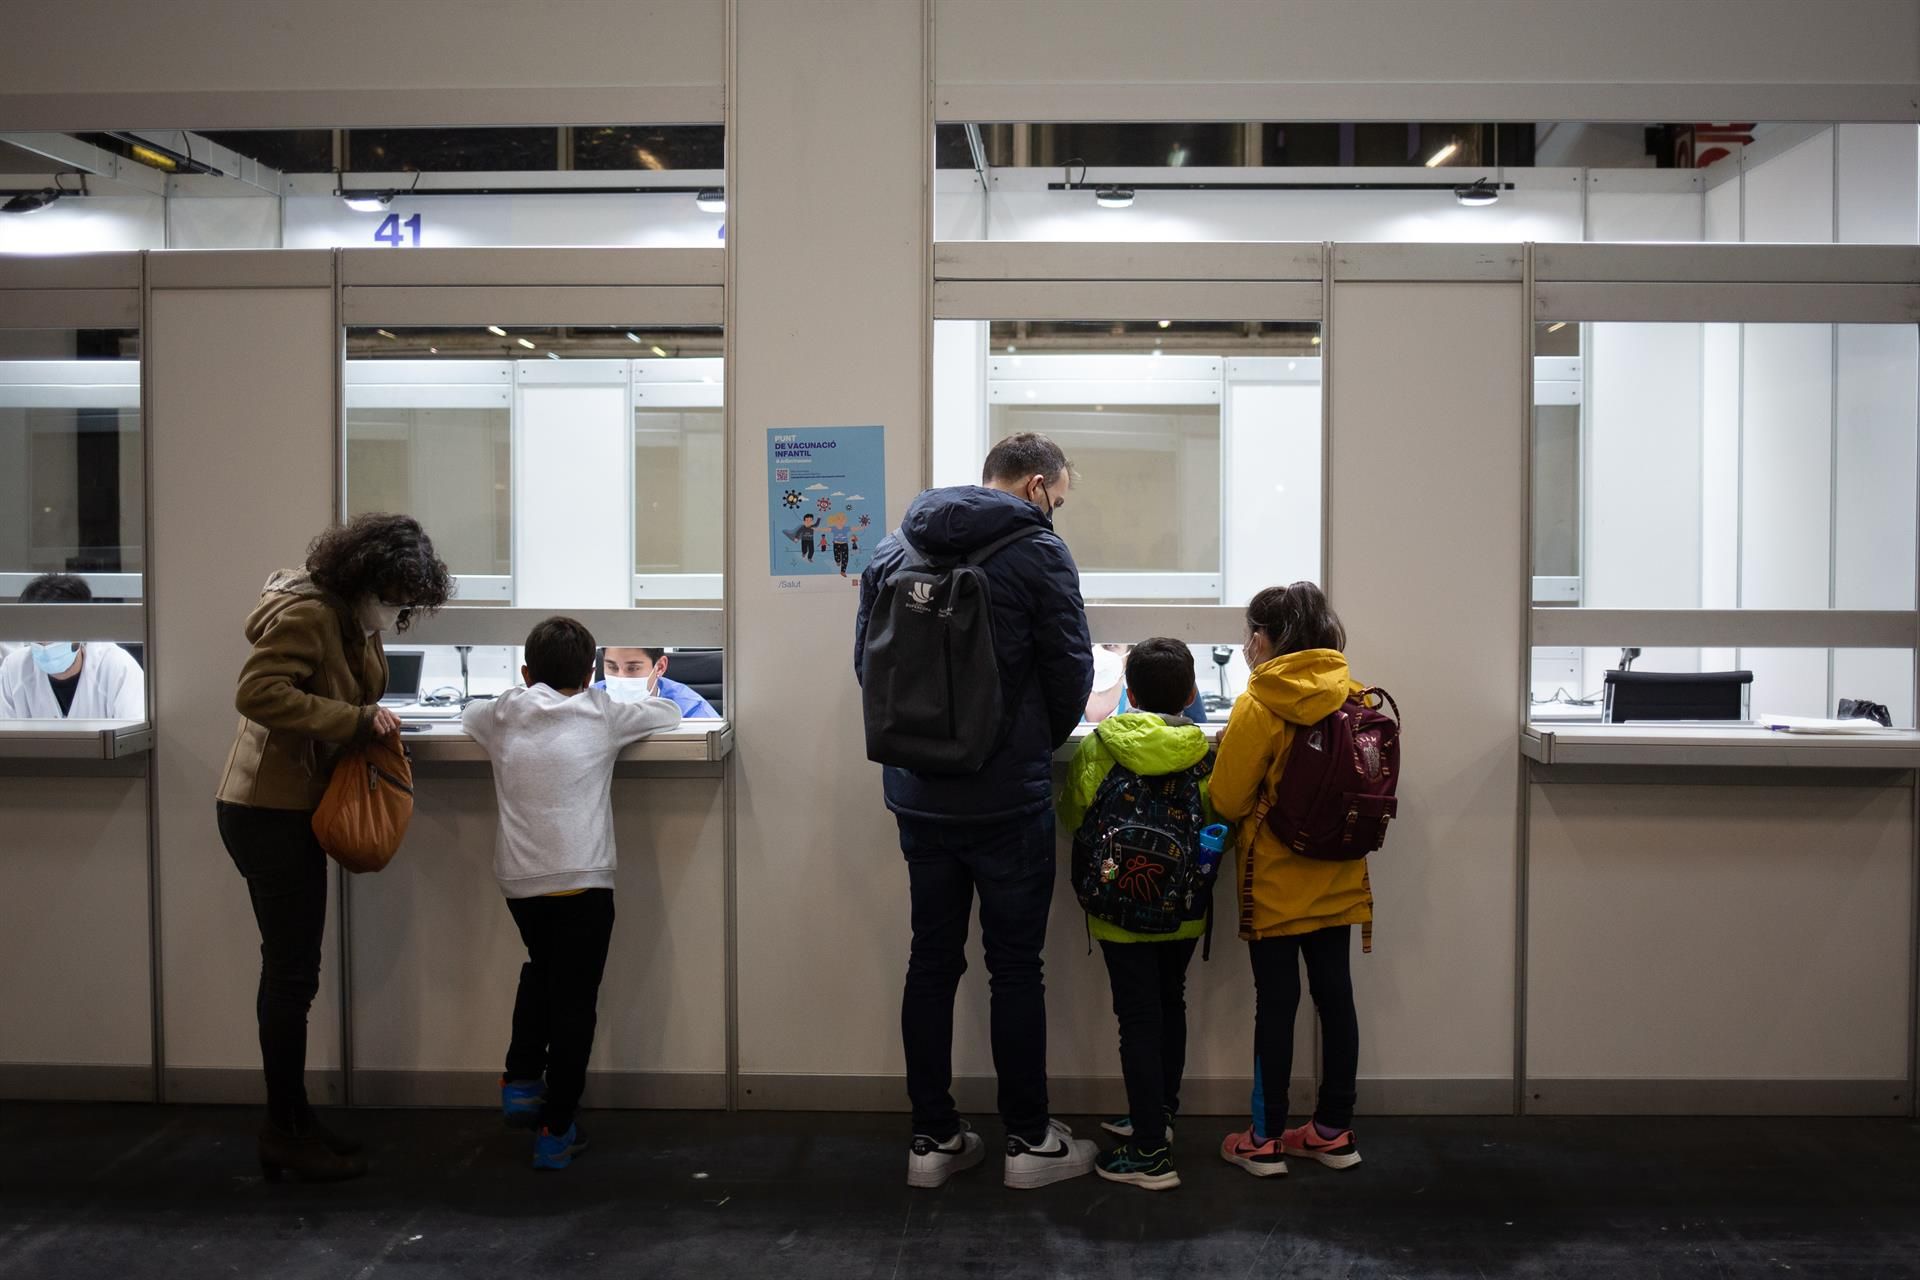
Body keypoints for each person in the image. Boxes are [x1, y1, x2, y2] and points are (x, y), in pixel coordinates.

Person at [854, 431, 1097, 1191]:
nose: (1056, 512)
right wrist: (1023, 746)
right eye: (1057, 499)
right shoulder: (1039, 554)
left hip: (918, 795)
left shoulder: (895, 549)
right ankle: (1029, 1141)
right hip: (1004, 797)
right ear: (1034, 486)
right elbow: (1071, 668)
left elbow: (867, 664)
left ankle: (931, 1140)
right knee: (1014, 966)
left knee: (931, 959)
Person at [215, 514, 452, 1183]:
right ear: (365, 577)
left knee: (294, 972)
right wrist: (353, 719)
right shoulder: (311, 616)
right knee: (291, 976)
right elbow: (258, 693)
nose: (397, 610)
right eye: (395, 596)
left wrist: (363, 715)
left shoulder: (348, 618)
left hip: (291, 806)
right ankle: (284, 1130)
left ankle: (293, 1120)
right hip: (267, 810)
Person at [464, 617, 681, 1170]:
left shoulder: (503, 713)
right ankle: (556, 1128)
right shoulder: (601, 711)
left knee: (542, 968)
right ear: (591, 675)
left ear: (526, 671)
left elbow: (466, 714)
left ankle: (519, 1080)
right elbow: (669, 712)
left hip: (519, 881)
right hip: (583, 880)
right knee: (575, 1002)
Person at [1211, 582, 1371, 1178]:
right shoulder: (1352, 693)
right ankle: (1333, 1131)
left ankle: (1265, 1137)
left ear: (1261, 638)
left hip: (1274, 883)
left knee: (1276, 1005)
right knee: (1337, 1000)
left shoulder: (1261, 702)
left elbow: (1226, 800)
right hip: (1339, 876)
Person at [1056, 637, 1215, 1193]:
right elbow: (1223, 822)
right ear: (1193, 693)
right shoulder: (1204, 751)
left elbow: (1073, 813)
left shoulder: (1102, 746)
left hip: (1117, 909)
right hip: (1184, 908)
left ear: (1128, 692)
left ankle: (1148, 1150)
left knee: (1138, 1018)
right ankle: (1160, 1115)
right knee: (1171, 1003)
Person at [0, 573, 145, 719]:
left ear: (82, 629)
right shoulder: (13, 670)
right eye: (37, 634)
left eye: (53, 634)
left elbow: (138, 736)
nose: (44, 646)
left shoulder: (118, 668)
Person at [599, 646, 718, 718]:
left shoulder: (691, 710)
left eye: (633, 668)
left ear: (660, 667)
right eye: (612, 667)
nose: (621, 678)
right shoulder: (589, 700)